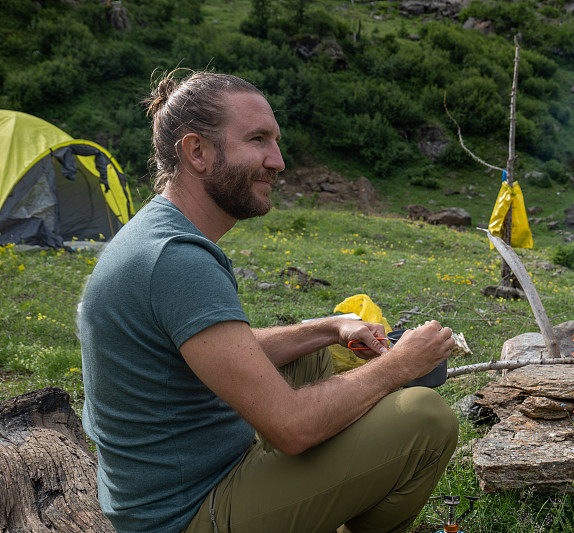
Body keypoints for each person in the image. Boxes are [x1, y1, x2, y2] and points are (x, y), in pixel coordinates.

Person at [79, 70, 458, 533]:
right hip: (184, 516)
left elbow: (216, 348)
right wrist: (401, 364)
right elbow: (292, 428)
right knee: (426, 418)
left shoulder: (158, 233)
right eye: (258, 140)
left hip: (171, 488)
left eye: (275, 141)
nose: (277, 161)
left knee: (315, 357)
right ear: (197, 152)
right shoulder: (176, 261)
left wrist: (329, 327)